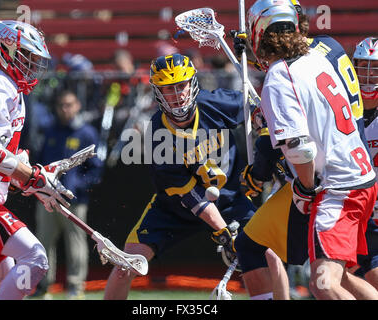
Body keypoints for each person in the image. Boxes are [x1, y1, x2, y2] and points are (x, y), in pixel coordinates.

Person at [103, 53, 277, 300]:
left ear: (192, 83)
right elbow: (187, 193)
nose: (178, 95)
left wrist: (262, 148)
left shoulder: (215, 103)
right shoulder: (157, 131)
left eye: (181, 86)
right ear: (157, 92)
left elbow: (261, 111)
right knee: (125, 266)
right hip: (175, 208)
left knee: (266, 256)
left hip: (229, 199)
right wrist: (224, 231)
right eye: (168, 89)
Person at [240, 0, 377, 300]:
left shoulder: (278, 77)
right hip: (361, 178)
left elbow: (300, 150)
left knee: (323, 284)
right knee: (342, 277)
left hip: (337, 188)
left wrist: (303, 188)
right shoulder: (316, 57)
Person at [0, 20, 74, 300]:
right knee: (36, 260)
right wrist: (31, 177)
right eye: (26, 56)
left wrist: (33, 180)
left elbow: (4, 154)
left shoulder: (9, 87)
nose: (32, 64)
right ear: (5, 50)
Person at [32, 90, 103, 299]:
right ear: (56, 107)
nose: (65, 109)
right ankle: (43, 286)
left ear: (78, 105)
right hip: (47, 198)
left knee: (76, 242)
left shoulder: (86, 133)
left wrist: (77, 186)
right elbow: (41, 161)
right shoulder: (50, 131)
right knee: (43, 241)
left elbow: (96, 168)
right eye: (62, 105)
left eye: (69, 104)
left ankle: (75, 286)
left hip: (74, 200)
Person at [351, 36, 378, 290]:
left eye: (376, 68)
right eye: (363, 67)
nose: (369, 75)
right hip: (355, 215)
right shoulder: (346, 110)